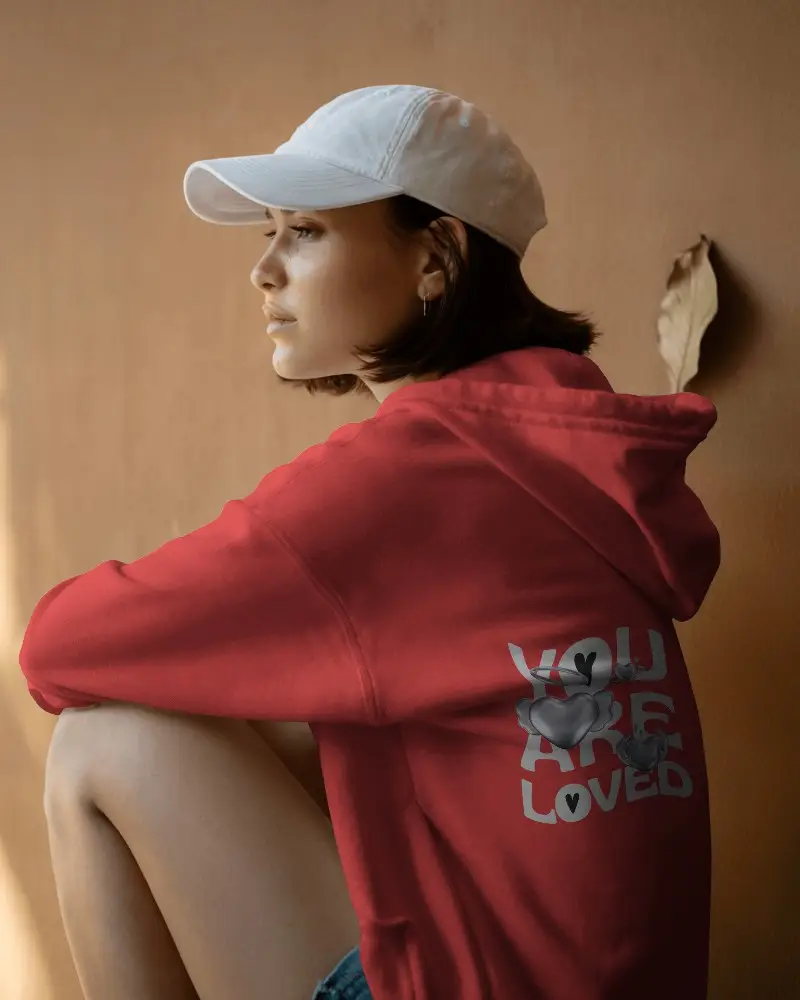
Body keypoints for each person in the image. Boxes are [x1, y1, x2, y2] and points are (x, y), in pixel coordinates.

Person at [21, 85, 720, 1000]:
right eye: (266, 233)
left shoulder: (410, 477)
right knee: (277, 717)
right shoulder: (559, 449)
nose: (264, 270)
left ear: (437, 257)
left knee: (104, 740)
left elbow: (57, 647)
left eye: (305, 231)